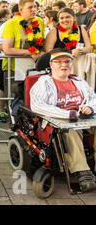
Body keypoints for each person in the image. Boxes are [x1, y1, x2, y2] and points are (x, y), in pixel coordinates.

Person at [30, 48, 96, 192]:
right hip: (60, 122)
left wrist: (90, 107)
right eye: (58, 62)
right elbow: (38, 105)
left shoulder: (79, 82)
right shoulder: (44, 82)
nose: (63, 65)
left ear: (71, 64)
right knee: (70, 130)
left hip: (84, 118)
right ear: (51, 65)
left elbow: (93, 98)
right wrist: (67, 114)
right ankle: (83, 172)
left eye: (67, 61)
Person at [2, 0, 45, 97]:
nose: (34, 9)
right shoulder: (10, 24)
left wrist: (40, 53)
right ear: (21, 10)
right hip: (14, 67)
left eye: (35, 7)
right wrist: (30, 53)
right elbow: (7, 49)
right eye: (30, 7)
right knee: (15, 97)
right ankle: (13, 113)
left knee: (33, 95)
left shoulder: (40, 21)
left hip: (34, 66)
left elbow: (42, 43)